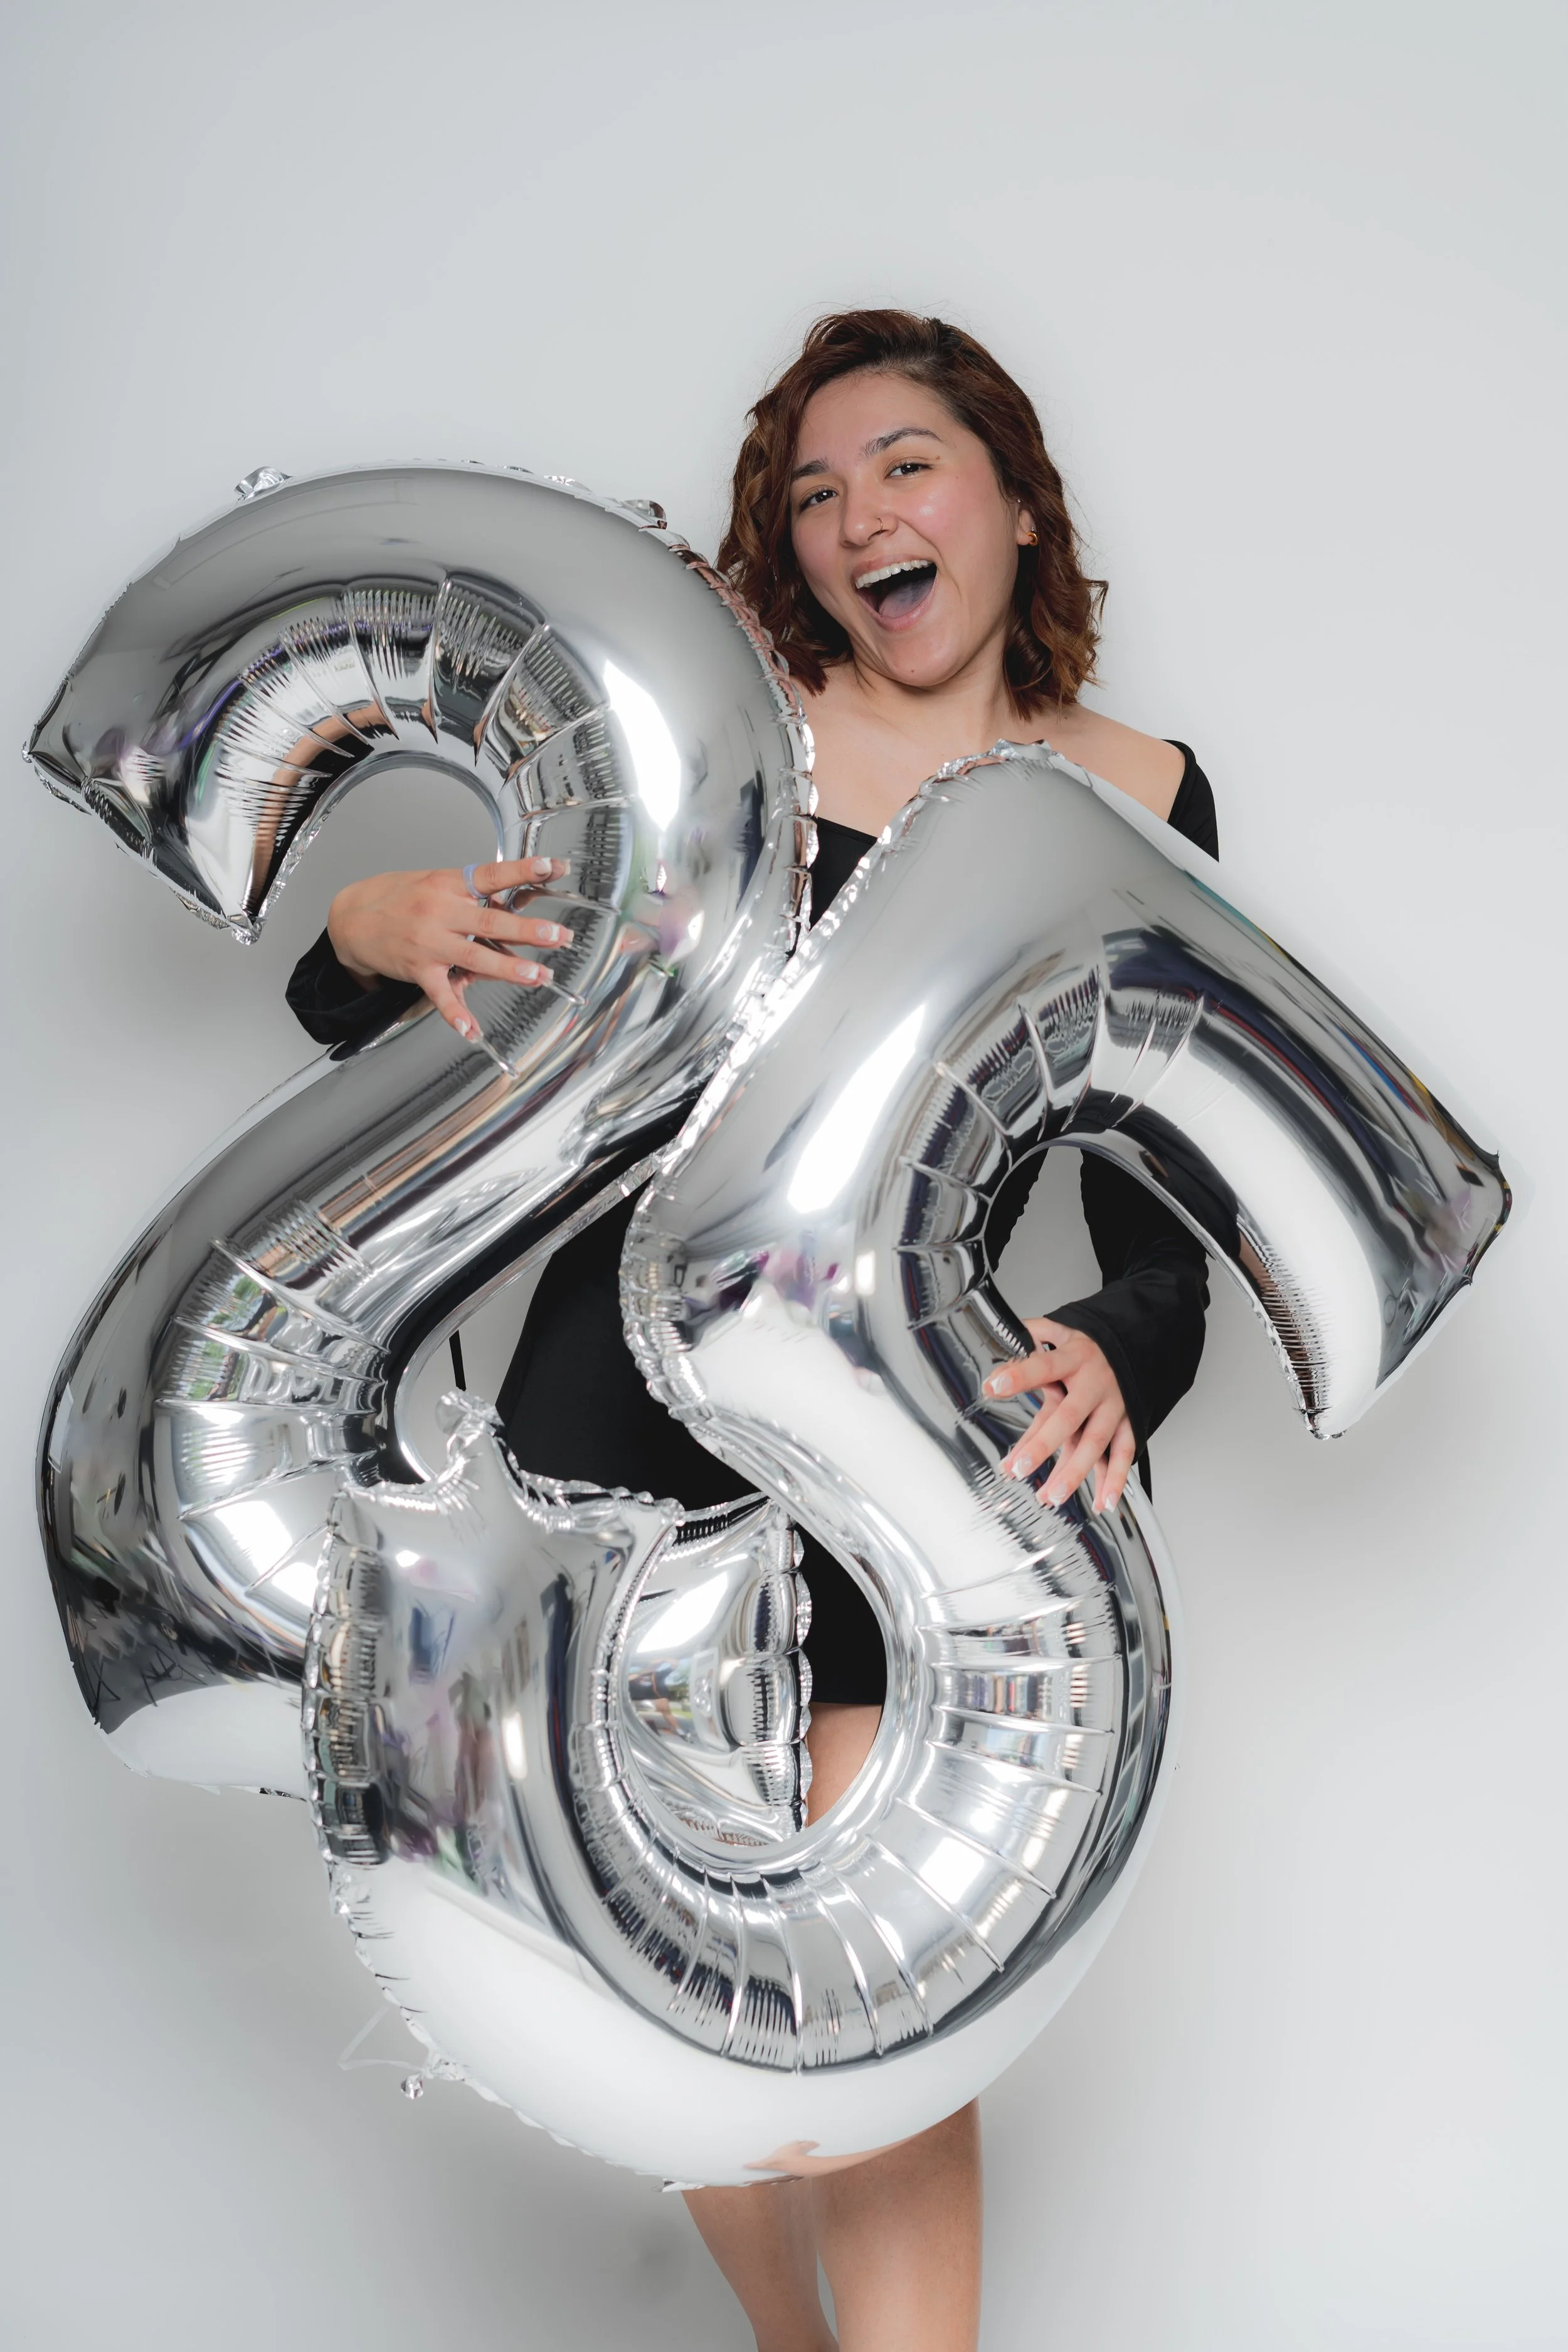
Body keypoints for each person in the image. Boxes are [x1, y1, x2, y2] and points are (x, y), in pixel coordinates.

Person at [287, 309, 1217, 2352]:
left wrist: (1115, 1351)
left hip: (909, 1419)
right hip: (617, 1410)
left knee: (882, 1974)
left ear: (1009, 497)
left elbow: (1172, 1190)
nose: (853, 516)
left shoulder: (1136, 794)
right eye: (809, 495)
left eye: (898, 465)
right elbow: (361, 1005)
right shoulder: (727, 736)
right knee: (677, 1955)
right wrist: (376, 920)